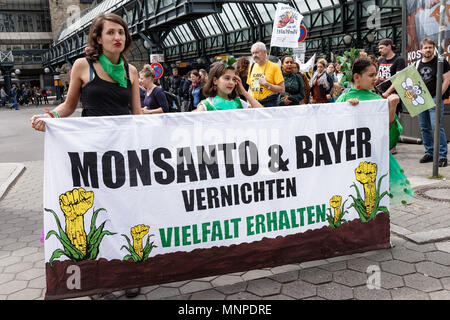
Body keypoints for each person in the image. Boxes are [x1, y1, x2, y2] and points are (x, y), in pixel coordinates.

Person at [30, 12, 142, 133]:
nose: (117, 37)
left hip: (123, 140)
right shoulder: (83, 65)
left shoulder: (132, 71)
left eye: (121, 32)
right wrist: (50, 116)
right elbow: (69, 106)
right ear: (99, 39)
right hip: (92, 140)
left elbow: (137, 113)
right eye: (110, 32)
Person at [337, 58, 414, 206]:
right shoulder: (345, 98)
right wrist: (345, 110)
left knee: (375, 200)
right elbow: (333, 129)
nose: (376, 78)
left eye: (376, 74)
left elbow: (389, 139)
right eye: (371, 75)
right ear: (356, 77)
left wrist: (392, 109)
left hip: (374, 157)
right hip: (351, 158)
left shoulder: (378, 100)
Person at [416, 37, 450, 167]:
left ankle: (442, 155)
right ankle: (429, 152)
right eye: (425, 47)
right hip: (421, 100)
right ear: (421, 50)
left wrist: (438, 95)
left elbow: (447, 79)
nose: (428, 49)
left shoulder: (441, 61)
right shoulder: (417, 64)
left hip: (435, 98)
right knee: (424, 127)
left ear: (434, 48)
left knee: (436, 127)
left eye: (430, 47)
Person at [196, 62, 262, 111]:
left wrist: (244, 92)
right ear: (215, 80)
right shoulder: (206, 106)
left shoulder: (239, 102)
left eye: (234, 79)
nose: (231, 83)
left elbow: (262, 113)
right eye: (227, 78)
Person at [247, 42, 285, 107]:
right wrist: (248, 101)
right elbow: (250, 87)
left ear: (264, 52)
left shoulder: (274, 67)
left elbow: (282, 90)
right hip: (254, 105)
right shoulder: (252, 66)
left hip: (269, 105)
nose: (254, 55)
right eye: (253, 53)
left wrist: (266, 84)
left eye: (257, 52)